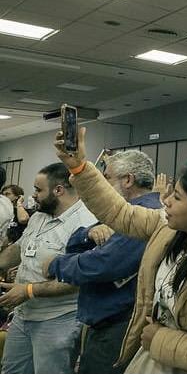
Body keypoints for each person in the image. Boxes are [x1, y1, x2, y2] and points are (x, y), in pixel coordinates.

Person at [55, 127, 187, 373]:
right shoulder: (170, 229)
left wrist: (158, 338)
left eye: (176, 197)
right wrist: (79, 168)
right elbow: (121, 213)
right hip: (163, 358)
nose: (165, 201)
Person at [46, 150, 160, 374]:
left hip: (118, 325)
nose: (101, 183)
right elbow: (75, 244)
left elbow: (101, 265)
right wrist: (88, 234)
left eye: (106, 177)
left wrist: (55, 264)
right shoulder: (122, 214)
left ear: (128, 180)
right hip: (104, 321)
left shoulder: (144, 214)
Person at [0, 163, 95, 374]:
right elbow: (19, 248)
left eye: (38, 189)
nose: (33, 195)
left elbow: (79, 280)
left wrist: (28, 291)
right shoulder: (39, 216)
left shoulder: (86, 223)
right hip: (23, 315)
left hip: (58, 320)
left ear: (58, 190)